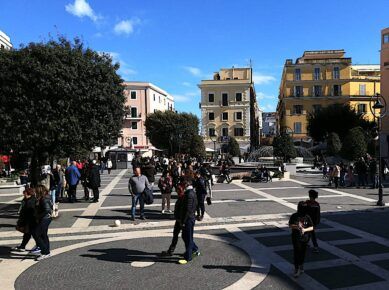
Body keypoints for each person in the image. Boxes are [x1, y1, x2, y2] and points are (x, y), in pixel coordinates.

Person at [161, 176, 186, 256]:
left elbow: (185, 210)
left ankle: (192, 250)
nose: (177, 192)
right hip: (178, 220)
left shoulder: (184, 198)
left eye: (178, 190)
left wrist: (182, 220)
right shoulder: (181, 197)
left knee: (185, 237)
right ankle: (171, 250)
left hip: (181, 220)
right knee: (176, 235)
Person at [289, 201, 314, 278]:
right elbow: (290, 225)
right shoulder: (294, 216)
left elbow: (312, 227)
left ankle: (301, 266)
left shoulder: (307, 216)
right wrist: (297, 227)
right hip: (296, 238)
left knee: (302, 253)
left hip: (305, 238)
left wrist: (304, 230)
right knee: (296, 253)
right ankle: (296, 269)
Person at [178, 177, 200, 265]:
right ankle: (194, 249)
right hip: (189, 218)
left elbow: (188, 209)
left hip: (188, 219)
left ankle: (188, 257)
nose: (181, 186)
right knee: (185, 236)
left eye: (182, 184)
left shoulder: (189, 194)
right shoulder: (190, 193)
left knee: (188, 237)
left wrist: (183, 221)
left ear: (186, 184)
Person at [13, 187, 37, 252]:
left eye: (25, 194)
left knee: (34, 235)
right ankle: (22, 246)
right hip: (29, 221)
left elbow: (27, 213)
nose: (24, 195)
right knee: (27, 234)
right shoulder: (27, 200)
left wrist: (22, 222)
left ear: (29, 194)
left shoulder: (30, 202)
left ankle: (40, 247)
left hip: (30, 221)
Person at [32, 185, 53, 261]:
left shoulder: (44, 199)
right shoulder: (46, 196)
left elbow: (46, 210)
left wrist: (38, 216)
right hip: (46, 218)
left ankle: (44, 251)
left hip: (45, 218)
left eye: (36, 191)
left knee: (36, 234)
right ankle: (47, 252)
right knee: (43, 235)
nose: (35, 192)